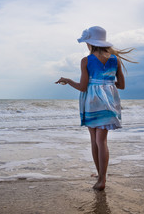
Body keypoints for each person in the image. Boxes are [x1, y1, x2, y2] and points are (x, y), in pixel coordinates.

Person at [55, 26, 136, 191]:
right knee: (102, 141)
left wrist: (67, 80)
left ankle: (101, 178)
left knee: (94, 140)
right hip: (109, 101)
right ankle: (101, 177)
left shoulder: (86, 60)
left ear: (90, 43)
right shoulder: (115, 60)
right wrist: (106, 84)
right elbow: (122, 85)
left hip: (92, 101)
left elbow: (83, 87)